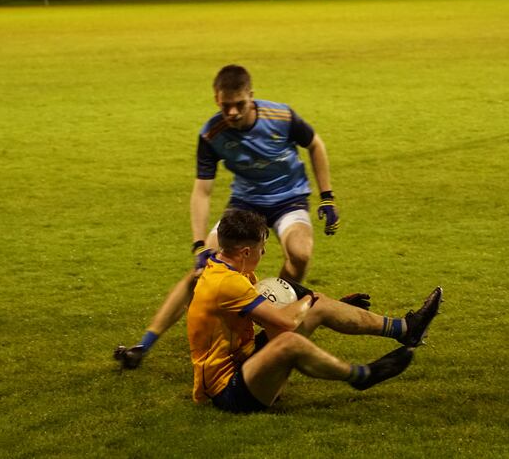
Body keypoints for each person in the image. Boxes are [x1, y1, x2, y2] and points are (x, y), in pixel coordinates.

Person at [115, 64, 342, 369]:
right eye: (225, 106)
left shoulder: (281, 117)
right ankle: (143, 346)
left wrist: (326, 195)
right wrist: (199, 246)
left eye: (239, 104)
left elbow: (315, 144)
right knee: (201, 272)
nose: (232, 112)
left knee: (300, 254)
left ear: (251, 96)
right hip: (245, 204)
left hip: (289, 199)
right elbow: (202, 191)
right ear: (216, 100)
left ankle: (270, 321)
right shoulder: (212, 133)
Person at [187, 208, 442, 412]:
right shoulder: (226, 283)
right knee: (289, 340)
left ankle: (407, 329)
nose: (264, 252)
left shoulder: (228, 268)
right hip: (229, 391)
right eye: (261, 247)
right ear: (244, 251)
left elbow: (269, 319)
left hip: (246, 361)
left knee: (316, 306)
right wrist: (309, 298)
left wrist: (325, 303)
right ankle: (362, 375)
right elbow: (284, 322)